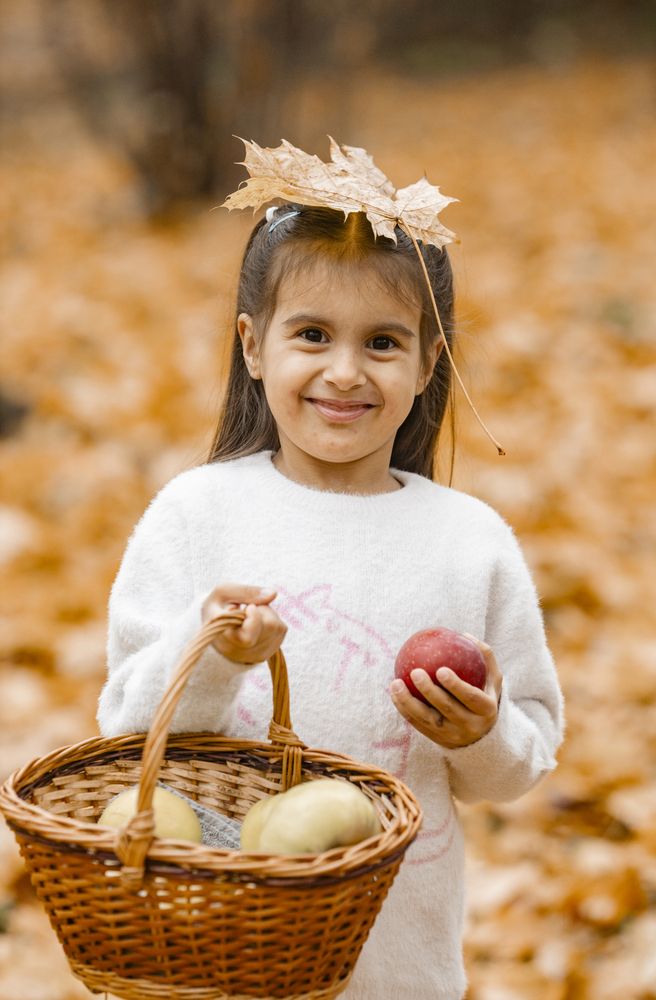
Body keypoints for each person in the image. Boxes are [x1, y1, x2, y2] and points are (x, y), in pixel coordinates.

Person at [98, 200, 564, 1000]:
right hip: (209, 950)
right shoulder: (195, 515)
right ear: (253, 345)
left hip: (393, 965)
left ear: (427, 364)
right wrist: (211, 657)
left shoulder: (469, 541)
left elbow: (518, 765)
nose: (345, 371)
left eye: (381, 342)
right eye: (312, 335)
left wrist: (479, 732)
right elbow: (125, 729)